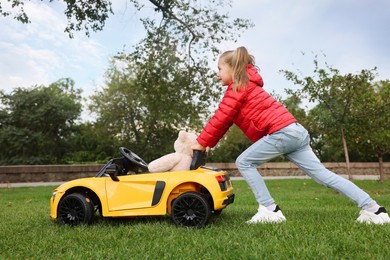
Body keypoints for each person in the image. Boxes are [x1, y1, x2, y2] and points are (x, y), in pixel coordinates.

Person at [191, 46, 390, 224]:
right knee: (323, 176)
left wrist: (201, 143)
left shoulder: (238, 87)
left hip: (283, 133)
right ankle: (374, 210)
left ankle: (269, 210)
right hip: (295, 131)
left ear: (233, 69)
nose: (217, 73)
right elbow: (225, 121)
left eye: (219, 69)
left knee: (244, 161)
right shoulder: (247, 85)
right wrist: (210, 142)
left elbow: (221, 117)